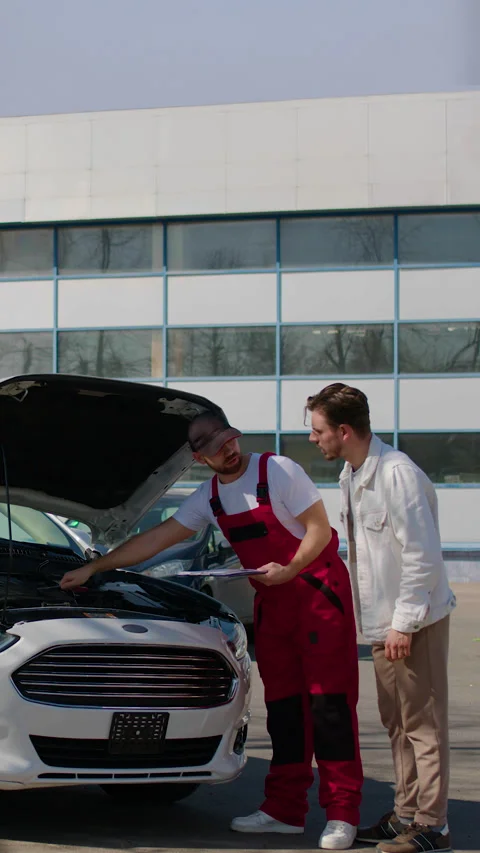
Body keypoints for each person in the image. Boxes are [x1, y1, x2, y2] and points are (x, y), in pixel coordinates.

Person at [60, 410, 363, 850]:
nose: (230, 450)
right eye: (218, 448)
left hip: (318, 594)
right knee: (284, 711)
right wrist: (95, 567)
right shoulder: (208, 498)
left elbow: (317, 530)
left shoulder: (277, 471)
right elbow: (156, 539)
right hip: (274, 605)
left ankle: (342, 813)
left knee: (330, 707)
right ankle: (285, 810)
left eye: (231, 440)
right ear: (201, 459)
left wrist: (291, 567)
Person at [306, 383, 456, 853]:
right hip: (383, 624)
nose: (312, 438)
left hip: (413, 622)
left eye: (317, 430)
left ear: (344, 431)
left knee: (423, 726)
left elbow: (422, 557)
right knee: (397, 724)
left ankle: (433, 826)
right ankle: (406, 815)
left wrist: (404, 623)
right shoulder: (353, 474)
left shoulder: (397, 474)